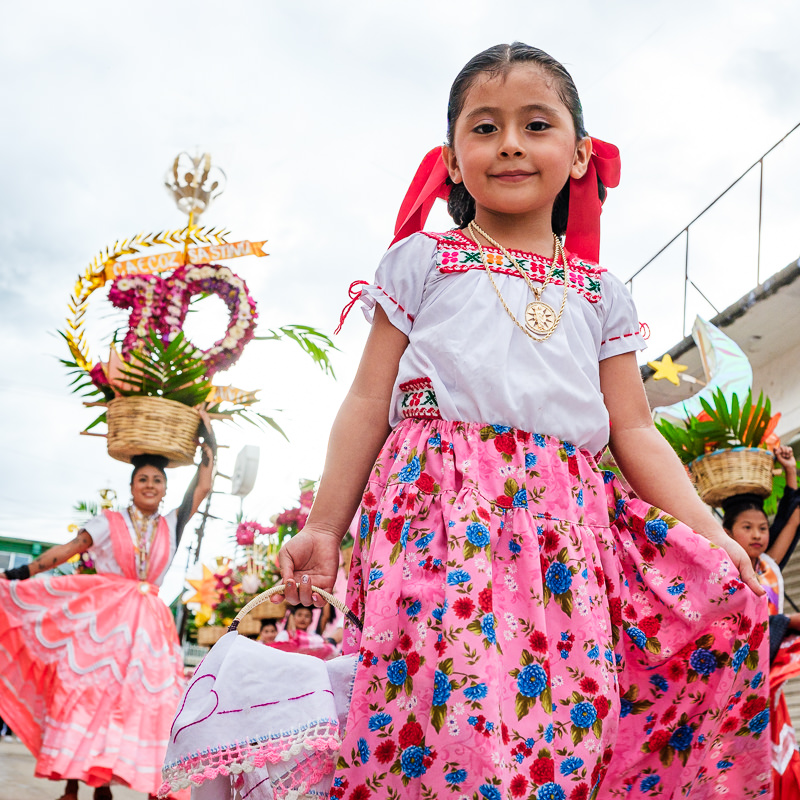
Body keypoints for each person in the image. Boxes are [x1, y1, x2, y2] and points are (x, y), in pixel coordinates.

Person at [274, 42, 772, 799]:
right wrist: (324, 527)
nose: (510, 142)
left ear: (578, 157)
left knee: (561, 728)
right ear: (451, 158)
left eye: (536, 124)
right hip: (434, 521)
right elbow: (368, 402)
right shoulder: (422, 263)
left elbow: (633, 431)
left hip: (565, 538)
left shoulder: (604, 293)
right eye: (485, 127)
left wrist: (707, 530)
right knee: (439, 723)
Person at [0, 413, 216, 800]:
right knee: (87, 688)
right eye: (143, 479)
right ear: (131, 487)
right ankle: (72, 784)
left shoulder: (173, 523)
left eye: (157, 480)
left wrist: (208, 441)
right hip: (103, 619)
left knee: (146, 700)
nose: (150, 485)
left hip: (151, 629)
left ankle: (128, 782)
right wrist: (19, 574)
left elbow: (202, 486)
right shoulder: (108, 521)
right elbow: (68, 551)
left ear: (166, 489)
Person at [722, 444, 800, 798]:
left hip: (769, 681)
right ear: (726, 532)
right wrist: (788, 622)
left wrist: (790, 473)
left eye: (762, 528)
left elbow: (792, 520)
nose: (757, 534)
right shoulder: (720, 571)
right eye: (747, 527)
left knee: (778, 756)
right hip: (732, 682)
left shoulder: (767, 569)